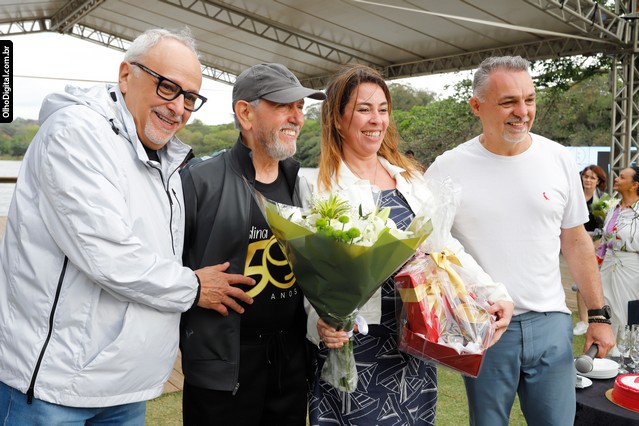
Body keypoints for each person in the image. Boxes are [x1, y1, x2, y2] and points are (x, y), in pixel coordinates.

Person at [0, 28, 256, 424]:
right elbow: (107, 254)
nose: (178, 108)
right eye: (168, 87)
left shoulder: (164, 156)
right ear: (125, 76)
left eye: (190, 98)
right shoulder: (77, 133)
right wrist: (194, 287)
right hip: (55, 385)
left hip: (126, 387)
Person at [302, 64, 514, 426]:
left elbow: (443, 246)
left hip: (415, 338)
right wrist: (318, 323)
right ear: (337, 119)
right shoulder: (317, 185)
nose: (376, 119)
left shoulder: (410, 179)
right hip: (356, 344)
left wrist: (494, 292)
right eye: (364, 109)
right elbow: (311, 273)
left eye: (383, 109)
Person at [425, 55, 616, 426]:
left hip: (552, 323)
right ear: (476, 106)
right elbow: (429, 248)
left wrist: (597, 315)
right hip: (486, 327)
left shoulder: (557, 158)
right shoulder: (447, 168)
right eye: (508, 102)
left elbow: (576, 241)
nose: (523, 112)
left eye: (529, 99)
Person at [179, 63, 326, 425]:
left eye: (300, 107)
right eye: (283, 106)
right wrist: (192, 286)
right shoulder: (198, 181)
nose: (297, 118)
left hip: (290, 362)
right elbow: (162, 264)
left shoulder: (302, 184)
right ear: (245, 113)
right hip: (223, 367)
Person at [598, 166, 639, 331]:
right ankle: (607, 345)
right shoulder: (613, 208)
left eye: (622, 177)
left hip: (631, 268)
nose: (616, 178)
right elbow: (604, 240)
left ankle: (628, 346)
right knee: (606, 307)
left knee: (627, 310)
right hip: (608, 264)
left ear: (634, 185)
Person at [573, 164, 608, 335]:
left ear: (599, 181)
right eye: (585, 176)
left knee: (596, 282)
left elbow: (607, 227)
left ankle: (600, 318)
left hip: (597, 246)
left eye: (592, 178)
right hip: (576, 244)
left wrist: (597, 243)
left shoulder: (603, 201)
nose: (588, 180)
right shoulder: (575, 196)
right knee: (580, 282)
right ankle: (583, 321)